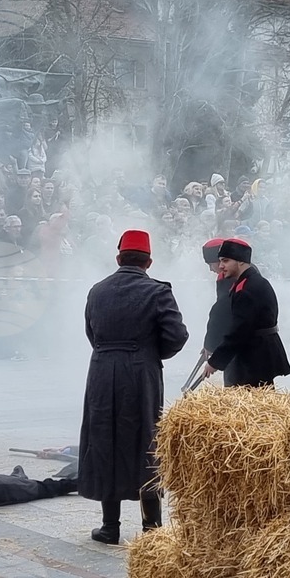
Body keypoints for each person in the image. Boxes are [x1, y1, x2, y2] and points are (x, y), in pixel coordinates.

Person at [80, 229, 189, 545]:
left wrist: (109, 353)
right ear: (149, 261)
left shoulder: (97, 291)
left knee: (105, 440)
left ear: (118, 258)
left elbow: (91, 331)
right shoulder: (157, 292)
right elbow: (177, 335)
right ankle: (150, 527)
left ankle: (110, 527)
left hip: (101, 372)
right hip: (140, 374)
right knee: (146, 441)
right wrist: (150, 353)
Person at [203, 238, 290, 387]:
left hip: (255, 356)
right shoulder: (247, 282)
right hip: (254, 351)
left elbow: (239, 330)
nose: (221, 266)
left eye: (225, 261)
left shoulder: (247, 288)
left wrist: (215, 361)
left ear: (240, 261)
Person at [199, 238, 235, 381]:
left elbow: (221, 312)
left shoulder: (231, 276)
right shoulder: (229, 274)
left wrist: (211, 343)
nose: (210, 269)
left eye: (210, 264)